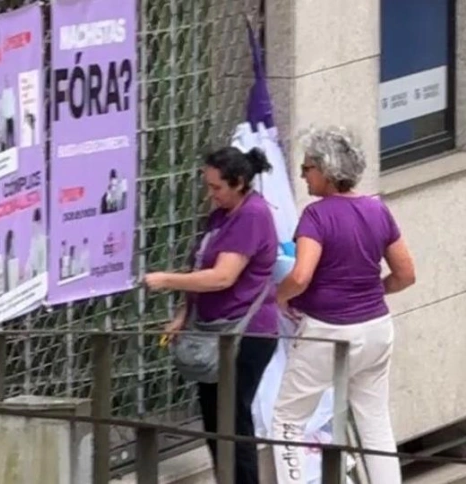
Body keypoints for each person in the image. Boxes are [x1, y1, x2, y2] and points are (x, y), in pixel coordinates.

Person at [271, 127, 415, 484]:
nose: (303, 175)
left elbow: (301, 275)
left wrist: (281, 295)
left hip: (328, 330)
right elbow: (405, 274)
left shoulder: (316, 217)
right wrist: (372, 290)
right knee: (375, 421)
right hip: (377, 328)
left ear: (325, 170)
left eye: (307, 168)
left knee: (287, 420)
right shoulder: (377, 210)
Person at [144, 146, 279, 484]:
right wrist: (182, 313)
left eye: (216, 187)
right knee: (215, 421)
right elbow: (201, 265)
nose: (211, 194)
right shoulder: (223, 214)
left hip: (246, 333)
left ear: (239, 183)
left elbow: (222, 276)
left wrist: (165, 280)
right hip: (213, 330)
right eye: (208, 186)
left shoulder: (252, 215)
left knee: (233, 422)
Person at [25, 208, 48, 278]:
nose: (34, 227)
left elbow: (44, 261)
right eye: (33, 224)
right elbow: (31, 258)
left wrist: (40, 274)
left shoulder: (43, 240)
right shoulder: (34, 240)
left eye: (36, 224)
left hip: (40, 275)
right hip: (34, 274)